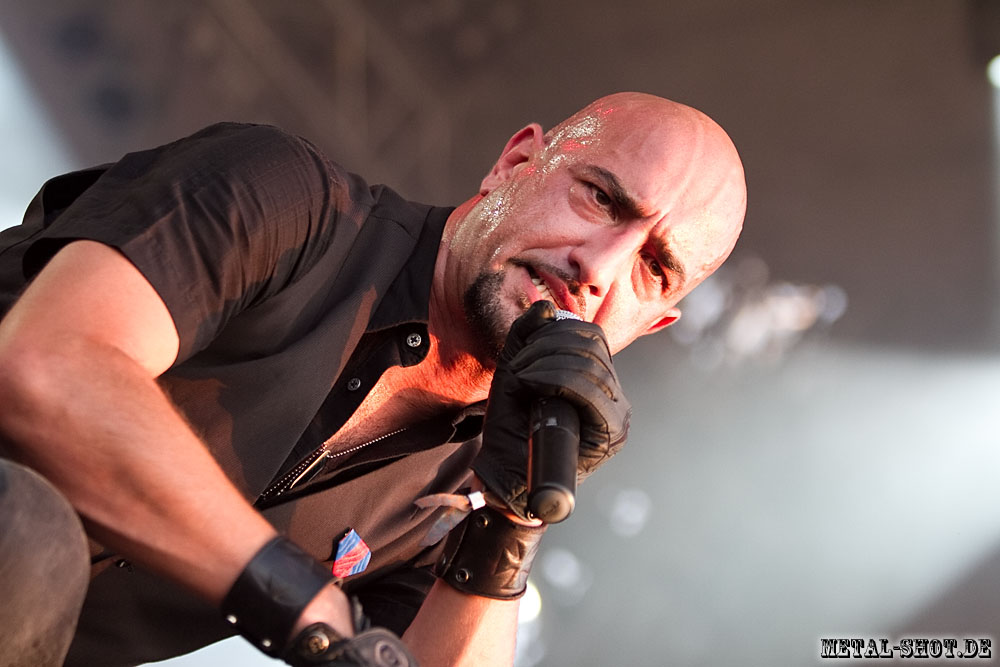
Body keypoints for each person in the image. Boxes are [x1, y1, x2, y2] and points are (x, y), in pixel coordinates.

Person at [0, 91, 746, 666]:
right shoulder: (285, 196)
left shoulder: (470, 485)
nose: (599, 267)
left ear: (651, 326)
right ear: (515, 163)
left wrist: (511, 522)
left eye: (654, 267)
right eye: (601, 198)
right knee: (28, 526)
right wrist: (307, 607)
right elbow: (48, 364)